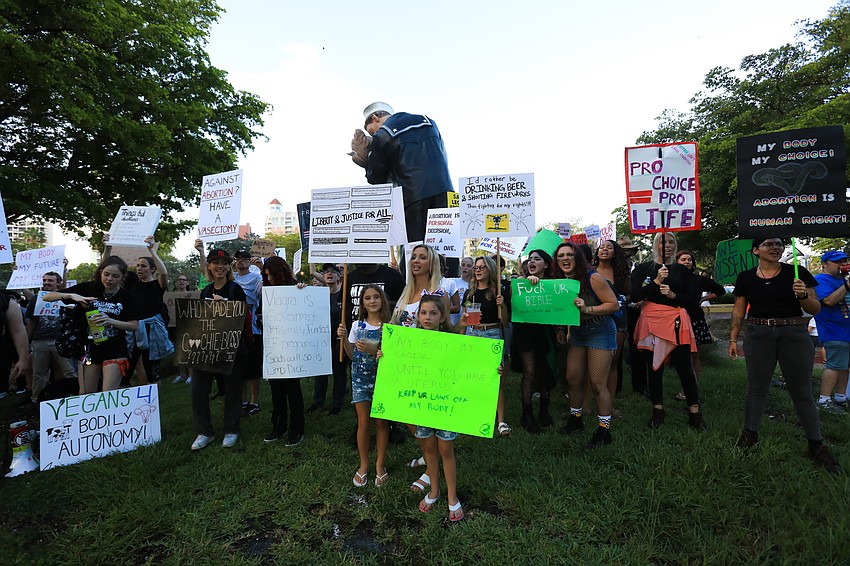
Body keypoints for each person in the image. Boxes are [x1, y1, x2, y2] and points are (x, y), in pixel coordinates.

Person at [729, 237, 840, 473]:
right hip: (758, 334)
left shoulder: (797, 273)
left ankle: (816, 444)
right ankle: (749, 435)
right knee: (756, 388)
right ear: (756, 250)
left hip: (794, 333)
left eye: (779, 244)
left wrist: (802, 295)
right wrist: (733, 338)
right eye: (768, 244)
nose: (775, 248)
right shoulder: (746, 277)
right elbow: (738, 311)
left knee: (801, 391)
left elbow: (815, 308)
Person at [382, 294, 465, 521]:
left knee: (446, 449)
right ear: (418, 316)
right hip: (421, 406)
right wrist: (384, 355)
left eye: (433, 313)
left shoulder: (452, 340)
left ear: (442, 316)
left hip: (445, 406)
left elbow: (468, 366)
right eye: (424, 313)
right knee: (429, 448)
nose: (428, 317)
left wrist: (491, 368)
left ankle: (452, 496)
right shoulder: (408, 341)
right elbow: (398, 365)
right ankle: (434, 490)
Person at [390, 244, 451, 491]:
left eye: (422, 257)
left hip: (428, 369)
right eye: (413, 256)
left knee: (426, 416)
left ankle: (431, 468)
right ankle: (429, 455)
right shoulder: (407, 292)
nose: (416, 260)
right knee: (405, 413)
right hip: (403, 364)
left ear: (431, 262)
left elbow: (447, 333)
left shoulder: (439, 292)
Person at [630, 233, 706, 430]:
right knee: (654, 368)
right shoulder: (643, 268)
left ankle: (694, 412)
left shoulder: (682, 270)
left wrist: (674, 295)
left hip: (676, 322)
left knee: (685, 368)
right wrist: (655, 282)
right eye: (663, 241)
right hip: (651, 323)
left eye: (672, 241)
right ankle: (657, 409)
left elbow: (691, 300)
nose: (668, 245)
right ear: (656, 244)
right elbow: (635, 295)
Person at [352, 102, 454, 243]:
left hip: (413, 197)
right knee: (446, 244)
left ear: (375, 117)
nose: (373, 135)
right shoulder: (429, 122)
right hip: (445, 191)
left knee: (415, 250)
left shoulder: (382, 135)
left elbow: (376, 178)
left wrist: (366, 162)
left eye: (371, 131)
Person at [554, 242, 620, 447]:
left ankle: (603, 430)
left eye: (570, 255)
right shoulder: (560, 282)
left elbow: (613, 304)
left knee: (597, 383)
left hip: (600, 330)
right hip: (578, 333)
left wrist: (587, 309)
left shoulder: (593, 277)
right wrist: (561, 329)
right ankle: (576, 419)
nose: (565, 259)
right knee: (572, 378)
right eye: (560, 256)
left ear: (577, 258)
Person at [46, 256, 139, 393]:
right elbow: (47, 297)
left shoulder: (127, 296)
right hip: (89, 348)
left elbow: (134, 325)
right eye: (106, 274)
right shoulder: (89, 288)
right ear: (101, 272)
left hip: (115, 348)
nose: (109, 279)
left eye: (115, 276)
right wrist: (71, 296)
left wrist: (109, 321)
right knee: (85, 394)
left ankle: (109, 414)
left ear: (122, 277)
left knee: (108, 395)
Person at [188, 249, 249, 450]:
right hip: (207, 348)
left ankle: (231, 429)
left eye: (224, 263)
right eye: (215, 262)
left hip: (231, 348)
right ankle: (204, 431)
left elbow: (242, 318)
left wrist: (226, 307)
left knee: (232, 389)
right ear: (209, 266)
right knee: (198, 389)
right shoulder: (205, 292)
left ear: (229, 267)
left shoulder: (235, 289)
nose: (220, 266)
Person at [338, 284, 391, 487]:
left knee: (381, 423)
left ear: (382, 299)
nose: (372, 301)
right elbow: (352, 355)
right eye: (367, 298)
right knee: (363, 423)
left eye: (375, 297)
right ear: (362, 303)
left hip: (382, 379)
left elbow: (392, 357)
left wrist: (375, 348)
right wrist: (343, 340)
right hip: (360, 379)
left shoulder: (389, 326)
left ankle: (380, 465)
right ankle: (363, 464)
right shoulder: (356, 326)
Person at [457, 256, 511, 435]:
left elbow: (505, 322)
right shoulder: (469, 293)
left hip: (492, 334)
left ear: (490, 269)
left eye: (482, 267)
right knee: (473, 377)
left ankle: (501, 422)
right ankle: (477, 415)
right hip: (473, 334)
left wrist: (502, 305)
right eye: (476, 267)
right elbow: (464, 318)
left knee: (495, 378)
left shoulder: (498, 292)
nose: (478, 270)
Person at [260, 256, 307, 446]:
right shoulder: (267, 292)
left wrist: (303, 292)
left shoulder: (296, 288)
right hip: (274, 347)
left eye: (271, 276)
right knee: (276, 390)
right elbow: (261, 315)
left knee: (292, 390)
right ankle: (279, 426)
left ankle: (297, 429)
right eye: (266, 276)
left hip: (291, 348)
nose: (269, 280)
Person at [511, 249, 559, 434]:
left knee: (545, 370)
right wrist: (528, 283)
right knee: (530, 371)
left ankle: (544, 410)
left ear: (545, 264)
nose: (531, 261)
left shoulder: (555, 285)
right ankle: (527, 414)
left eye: (537, 259)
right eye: (529, 259)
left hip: (545, 334)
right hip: (526, 334)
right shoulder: (521, 284)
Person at [673, 250, 725, 399]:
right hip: (675, 319)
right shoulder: (671, 279)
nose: (687, 262)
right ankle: (684, 386)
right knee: (680, 357)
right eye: (683, 259)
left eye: (689, 259)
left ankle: (691, 389)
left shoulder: (699, 280)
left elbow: (720, 290)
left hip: (694, 319)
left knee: (693, 356)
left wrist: (703, 299)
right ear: (677, 262)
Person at [125, 237, 172, 386]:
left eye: (143, 265)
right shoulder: (134, 286)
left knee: (149, 363)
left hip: (151, 330)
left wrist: (151, 250)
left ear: (152, 269)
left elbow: (163, 274)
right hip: (135, 328)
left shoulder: (157, 285)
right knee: (130, 361)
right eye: (138, 265)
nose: (139, 268)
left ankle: (151, 392)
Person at [25, 271, 77, 403]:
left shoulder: (65, 298)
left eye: (50, 280)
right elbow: (32, 323)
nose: (46, 283)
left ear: (58, 283)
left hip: (60, 341)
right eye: (44, 280)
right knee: (39, 374)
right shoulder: (36, 299)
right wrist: (27, 343)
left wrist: (65, 268)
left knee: (69, 371)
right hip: (39, 342)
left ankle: (75, 396)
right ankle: (37, 400)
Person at [594, 239, 632, 408]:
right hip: (594, 320)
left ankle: (610, 404)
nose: (604, 249)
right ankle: (590, 403)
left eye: (609, 247)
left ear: (614, 253)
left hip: (617, 320)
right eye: (602, 247)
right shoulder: (589, 272)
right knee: (593, 363)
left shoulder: (620, 274)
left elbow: (630, 294)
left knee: (613, 362)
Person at [811, 250, 850, 414]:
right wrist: (847, 285)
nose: (842, 265)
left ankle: (841, 396)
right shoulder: (821, 280)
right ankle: (824, 399)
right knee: (834, 365)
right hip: (834, 330)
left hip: (846, 330)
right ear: (825, 264)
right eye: (837, 262)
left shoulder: (841, 280)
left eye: (844, 261)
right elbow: (829, 300)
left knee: (844, 365)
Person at [308, 263, 346, 414]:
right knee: (320, 371)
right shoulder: (317, 296)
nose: (329, 274)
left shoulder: (343, 295)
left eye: (333, 272)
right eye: (326, 272)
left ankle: (337, 403)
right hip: (321, 339)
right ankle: (318, 402)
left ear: (338, 276)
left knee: (339, 372)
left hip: (338, 340)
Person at [233, 250, 263, 415]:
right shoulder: (231, 278)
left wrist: (262, 268)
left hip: (251, 327)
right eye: (238, 259)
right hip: (233, 326)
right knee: (239, 367)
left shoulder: (257, 278)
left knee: (252, 367)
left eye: (244, 259)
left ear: (249, 261)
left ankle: (254, 401)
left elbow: (263, 293)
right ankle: (243, 400)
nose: (241, 262)